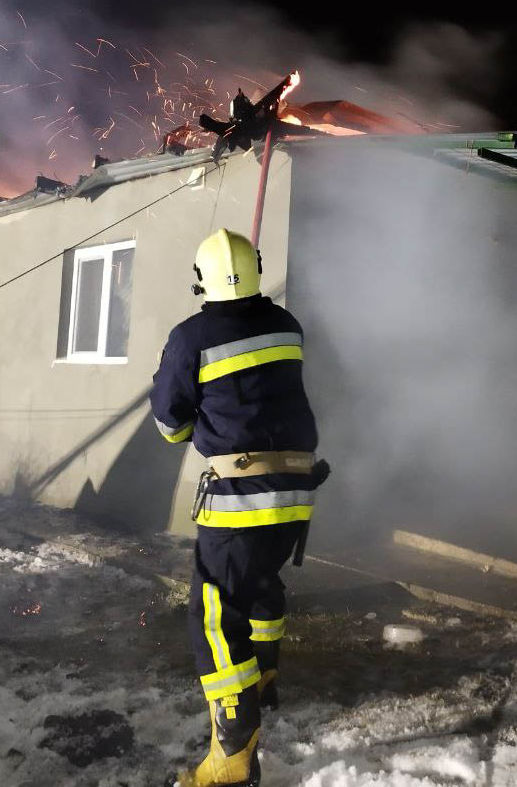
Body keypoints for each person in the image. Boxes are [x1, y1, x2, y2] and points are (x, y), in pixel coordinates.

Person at [151, 228, 321, 787]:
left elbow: (171, 425)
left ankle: (233, 749)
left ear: (201, 280)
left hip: (241, 496)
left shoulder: (190, 338)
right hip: (296, 491)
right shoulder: (287, 325)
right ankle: (264, 679)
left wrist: (184, 396)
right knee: (261, 582)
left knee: (215, 613)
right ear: (256, 268)